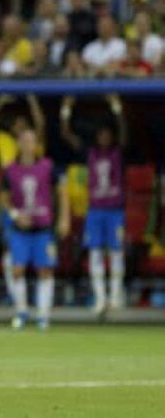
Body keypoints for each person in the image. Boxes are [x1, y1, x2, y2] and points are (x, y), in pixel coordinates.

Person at [60, 94, 127, 315]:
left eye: (108, 134)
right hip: (96, 210)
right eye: (101, 135)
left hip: (115, 210)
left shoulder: (118, 153)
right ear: (97, 137)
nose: (105, 138)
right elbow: (67, 135)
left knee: (117, 252)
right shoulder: (90, 154)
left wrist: (116, 108)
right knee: (96, 252)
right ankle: (100, 298)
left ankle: (116, 296)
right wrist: (66, 111)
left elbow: (125, 133)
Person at [2, 127, 70, 330]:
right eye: (24, 140)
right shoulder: (11, 170)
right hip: (20, 230)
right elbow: (4, 198)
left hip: (43, 227)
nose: (28, 145)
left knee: (45, 270)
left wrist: (64, 218)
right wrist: (15, 215)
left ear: (37, 145)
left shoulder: (48, 167)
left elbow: (62, 191)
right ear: (19, 144)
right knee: (17, 269)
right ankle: (21, 311)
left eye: (32, 141)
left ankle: (43, 315)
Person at [0, 93, 45, 304]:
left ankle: (35, 299)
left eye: (24, 126)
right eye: (16, 125)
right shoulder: (5, 142)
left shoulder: (34, 146)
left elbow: (41, 125)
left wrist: (32, 99)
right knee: (9, 248)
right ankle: (15, 296)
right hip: (10, 203)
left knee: (38, 257)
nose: (20, 129)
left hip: (34, 205)